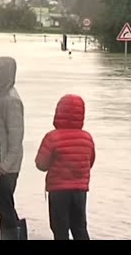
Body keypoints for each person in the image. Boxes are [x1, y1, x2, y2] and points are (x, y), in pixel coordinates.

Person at [35, 94, 95, 240]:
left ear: (59, 112)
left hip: (58, 192)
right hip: (80, 192)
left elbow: (41, 164)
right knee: (80, 228)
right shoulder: (87, 138)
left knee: (60, 230)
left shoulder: (52, 137)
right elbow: (90, 163)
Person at [0, 57, 27, 240]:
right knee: (1, 204)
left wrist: (6, 164)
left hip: (4, 165)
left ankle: (16, 235)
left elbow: (16, 136)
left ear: (5, 76)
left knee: (4, 204)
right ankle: (10, 235)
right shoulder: (0, 97)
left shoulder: (10, 101)